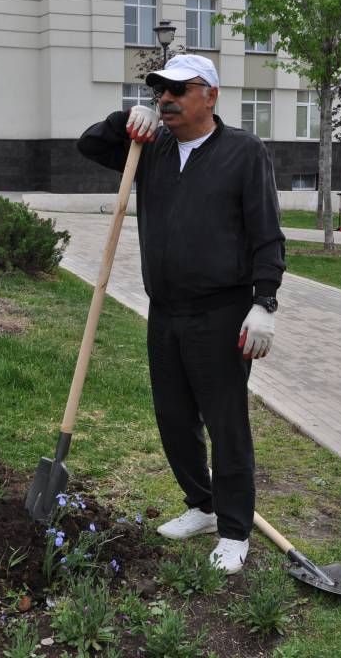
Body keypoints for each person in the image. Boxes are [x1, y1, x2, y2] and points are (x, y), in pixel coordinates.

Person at [76, 54, 285, 575]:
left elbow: (267, 234)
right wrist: (122, 119)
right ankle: (203, 505)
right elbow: (88, 144)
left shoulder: (243, 152)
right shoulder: (151, 148)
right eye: (158, 91)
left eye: (178, 90)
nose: (164, 99)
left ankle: (235, 530)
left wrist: (264, 302)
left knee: (226, 422)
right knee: (173, 416)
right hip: (165, 309)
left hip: (222, 311)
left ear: (209, 95)